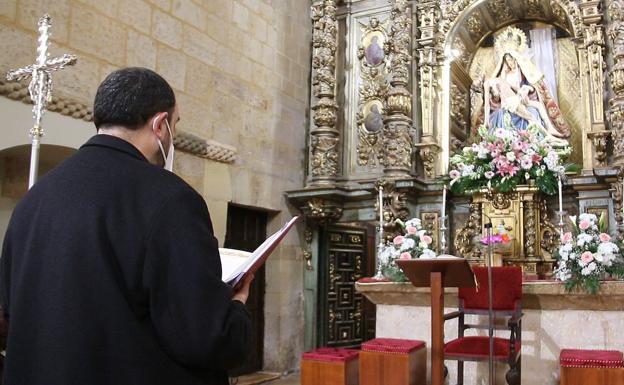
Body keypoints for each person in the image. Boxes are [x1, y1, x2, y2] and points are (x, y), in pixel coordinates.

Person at [0, 67, 253, 385]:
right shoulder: (171, 198)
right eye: (175, 125)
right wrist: (237, 307)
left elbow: (10, 314)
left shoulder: (33, 200)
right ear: (161, 125)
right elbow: (206, 338)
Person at [482, 51, 570, 146]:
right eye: (507, 61)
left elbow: (515, 88)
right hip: (510, 103)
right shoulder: (490, 82)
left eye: (510, 60)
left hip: (515, 100)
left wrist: (524, 90)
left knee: (533, 114)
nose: (508, 64)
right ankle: (549, 137)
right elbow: (487, 105)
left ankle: (549, 133)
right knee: (531, 118)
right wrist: (486, 121)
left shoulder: (499, 80)